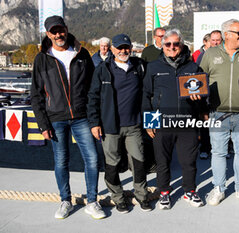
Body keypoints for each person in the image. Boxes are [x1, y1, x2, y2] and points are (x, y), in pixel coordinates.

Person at [31, 15, 105, 219]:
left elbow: (93, 89)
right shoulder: (42, 58)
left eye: (60, 30)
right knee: (61, 161)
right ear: (47, 34)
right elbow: (36, 94)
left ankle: (92, 201)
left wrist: (95, 119)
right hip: (56, 118)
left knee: (92, 159)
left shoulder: (82, 55)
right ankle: (65, 200)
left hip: (82, 117)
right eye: (53, 31)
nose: (58, 34)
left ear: (66, 28)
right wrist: (43, 124)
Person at [87, 34, 151, 213]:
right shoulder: (103, 69)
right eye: (120, 48)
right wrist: (94, 123)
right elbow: (93, 97)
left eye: (126, 47)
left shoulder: (140, 67)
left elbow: (149, 94)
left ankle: (142, 195)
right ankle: (118, 197)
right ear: (112, 49)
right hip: (110, 126)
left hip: (134, 125)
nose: (123, 51)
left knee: (139, 162)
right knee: (112, 165)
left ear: (131, 48)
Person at [142, 29, 204, 210]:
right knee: (162, 161)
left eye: (176, 44)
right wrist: (149, 123)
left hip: (187, 122)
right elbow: (146, 95)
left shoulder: (193, 67)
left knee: (189, 161)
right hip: (162, 122)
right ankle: (164, 193)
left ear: (182, 45)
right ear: (162, 45)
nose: (172, 47)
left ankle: (190, 191)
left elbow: (202, 96)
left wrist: (199, 100)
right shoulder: (153, 67)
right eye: (168, 44)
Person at [200, 19, 239, 206]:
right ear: (227, 34)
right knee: (218, 153)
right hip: (217, 113)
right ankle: (219, 188)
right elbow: (199, 78)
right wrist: (202, 107)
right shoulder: (211, 53)